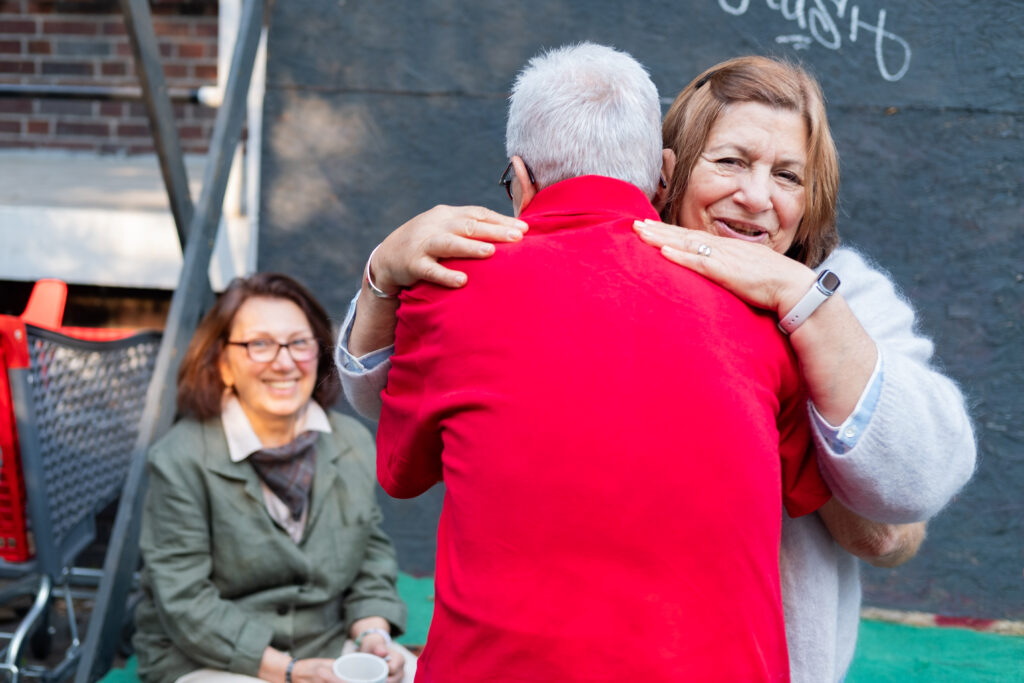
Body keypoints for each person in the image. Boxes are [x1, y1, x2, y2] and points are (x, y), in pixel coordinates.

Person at [336, 56, 975, 682]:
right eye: (730, 162)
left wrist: (806, 307)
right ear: (664, 172)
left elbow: (897, 517)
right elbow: (385, 388)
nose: (755, 197)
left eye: (788, 176)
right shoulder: (571, 268)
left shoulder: (840, 294)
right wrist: (384, 275)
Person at [133, 273, 415, 683]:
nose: (284, 362)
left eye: (299, 343)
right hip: (208, 658)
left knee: (415, 674)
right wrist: (289, 671)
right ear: (223, 364)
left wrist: (373, 635)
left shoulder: (351, 442)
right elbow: (185, 602)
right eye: (259, 344)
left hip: (324, 646)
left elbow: (370, 555)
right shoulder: (180, 458)